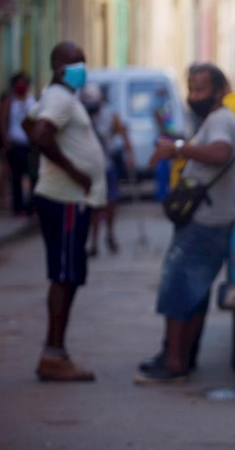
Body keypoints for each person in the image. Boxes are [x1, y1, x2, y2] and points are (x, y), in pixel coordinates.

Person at [133, 63, 235, 384]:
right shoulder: (231, 120)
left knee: (176, 293)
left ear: (219, 91)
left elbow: (220, 152)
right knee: (194, 294)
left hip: (203, 223)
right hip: (215, 220)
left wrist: (179, 149)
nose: (193, 96)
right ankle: (180, 359)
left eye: (200, 89)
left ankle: (173, 365)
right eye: (191, 89)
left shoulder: (220, 120)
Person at [22, 41, 107, 381]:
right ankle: (53, 355)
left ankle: (55, 352)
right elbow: (41, 135)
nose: (82, 69)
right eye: (76, 63)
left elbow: (30, 125)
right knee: (64, 276)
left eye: (84, 62)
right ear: (59, 67)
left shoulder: (55, 96)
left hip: (67, 197)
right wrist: (74, 171)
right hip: (67, 199)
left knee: (67, 275)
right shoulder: (59, 96)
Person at [79, 83, 135, 256]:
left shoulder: (109, 113)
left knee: (110, 202)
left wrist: (129, 155)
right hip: (89, 167)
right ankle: (93, 242)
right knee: (94, 205)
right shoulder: (81, 114)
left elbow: (123, 133)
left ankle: (110, 234)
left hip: (107, 164)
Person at [1, 72, 38, 216]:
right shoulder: (10, 101)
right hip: (15, 144)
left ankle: (30, 207)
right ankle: (18, 207)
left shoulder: (31, 100)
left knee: (32, 176)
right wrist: (6, 141)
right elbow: (3, 121)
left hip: (29, 144)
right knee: (16, 177)